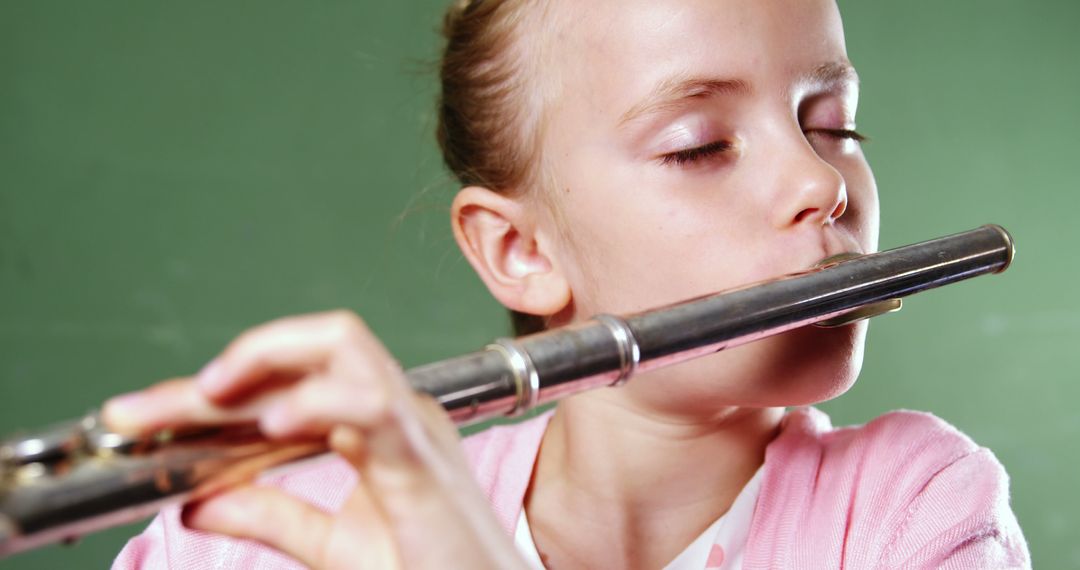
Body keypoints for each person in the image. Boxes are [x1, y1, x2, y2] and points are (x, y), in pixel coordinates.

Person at [104, 0, 1031, 568]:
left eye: (833, 125)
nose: (822, 184)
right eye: (698, 145)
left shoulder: (917, 510)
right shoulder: (262, 539)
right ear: (521, 251)